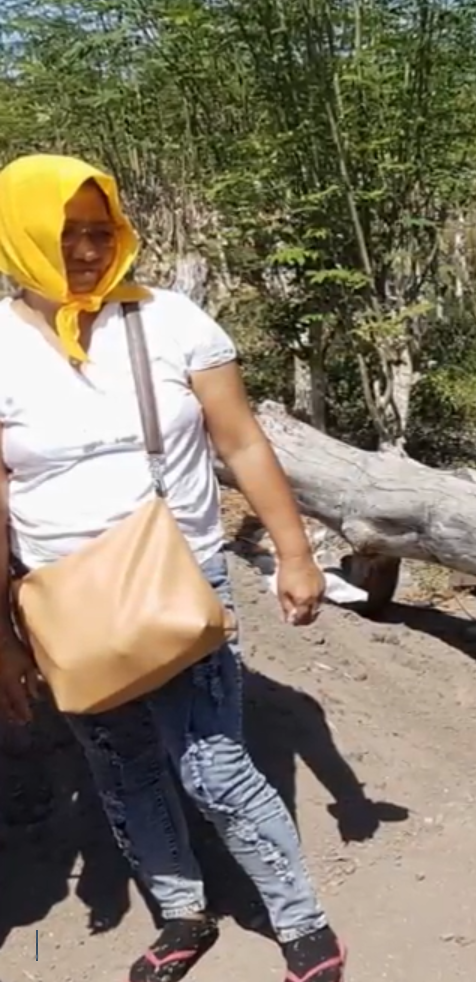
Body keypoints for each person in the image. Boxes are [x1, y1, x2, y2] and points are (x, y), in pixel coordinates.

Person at [0, 154, 346, 982]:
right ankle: (183, 914)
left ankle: (301, 919)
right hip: (63, 599)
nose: (88, 250)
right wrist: (3, 637)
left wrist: (295, 552)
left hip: (178, 580)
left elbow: (242, 441)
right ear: (21, 235)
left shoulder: (169, 320)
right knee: (122, 771)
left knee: (214, 765)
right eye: (66, 233)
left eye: (101, 231)